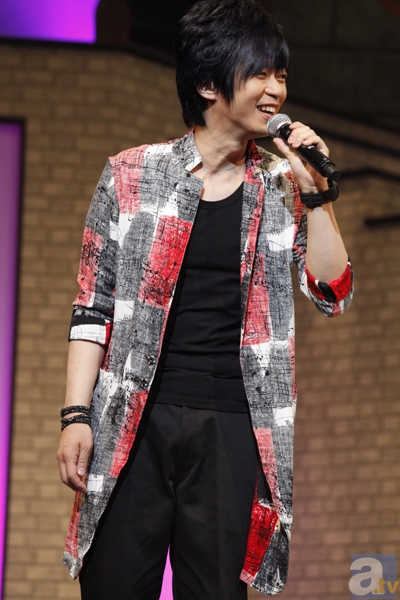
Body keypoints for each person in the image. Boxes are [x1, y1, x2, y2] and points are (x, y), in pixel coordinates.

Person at [56, 0, 354, 598]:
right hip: (133, 421)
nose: (276, 89)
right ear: (208, 84)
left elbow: (331, 292)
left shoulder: (280, 184)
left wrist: (316, 194)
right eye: (260, 73)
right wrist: (75, 415)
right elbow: (92, 307)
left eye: (281, 75)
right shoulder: (131, 175)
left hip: (233, 428)